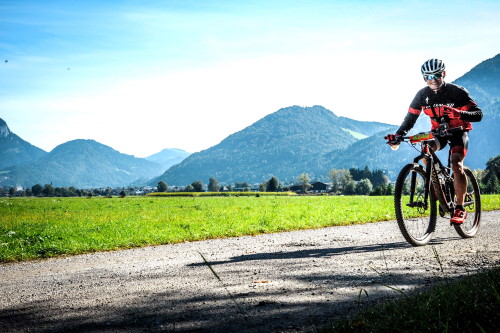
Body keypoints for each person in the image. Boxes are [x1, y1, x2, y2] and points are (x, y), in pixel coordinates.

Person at [387, 58, 482, 224]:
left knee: (455, 163)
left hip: (458, 131)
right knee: (425, 149)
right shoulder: (422, 95)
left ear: (443, 74)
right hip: (438, 133)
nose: (433, 79)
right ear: (424, 78)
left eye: (437, 75)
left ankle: (459, 208)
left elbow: (478, 114)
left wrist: (459, 114)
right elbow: (410, 118)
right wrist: (398, 135)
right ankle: (439, 187)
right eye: (429, 76)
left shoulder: (457, 92)